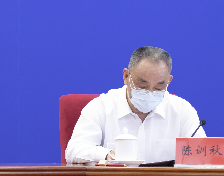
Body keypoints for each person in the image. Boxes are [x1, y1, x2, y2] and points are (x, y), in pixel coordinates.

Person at [66, 46, 204, 164]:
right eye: (142, 86)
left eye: (158, 88)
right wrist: (107, 155)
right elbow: (74, 150)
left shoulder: (182, 111)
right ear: (126, 76)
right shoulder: (101, 107)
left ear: (169, 81)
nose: (149, 92)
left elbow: (203, 156)